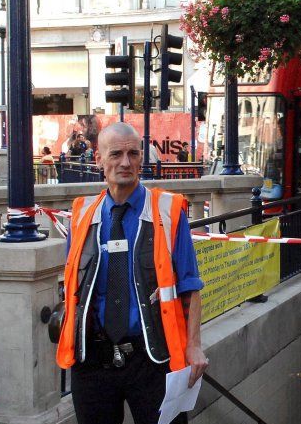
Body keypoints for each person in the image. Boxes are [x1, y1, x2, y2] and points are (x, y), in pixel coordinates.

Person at [56, 122, 208, 424]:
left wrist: (193, 345)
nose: (125, 162)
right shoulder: (82, 215)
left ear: (142, 158)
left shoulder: (167, 211)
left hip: (152, 358)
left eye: (133, 154)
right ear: (99, 160)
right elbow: (75, 285)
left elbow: (189, 285)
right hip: (93, 361)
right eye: (115, 154)